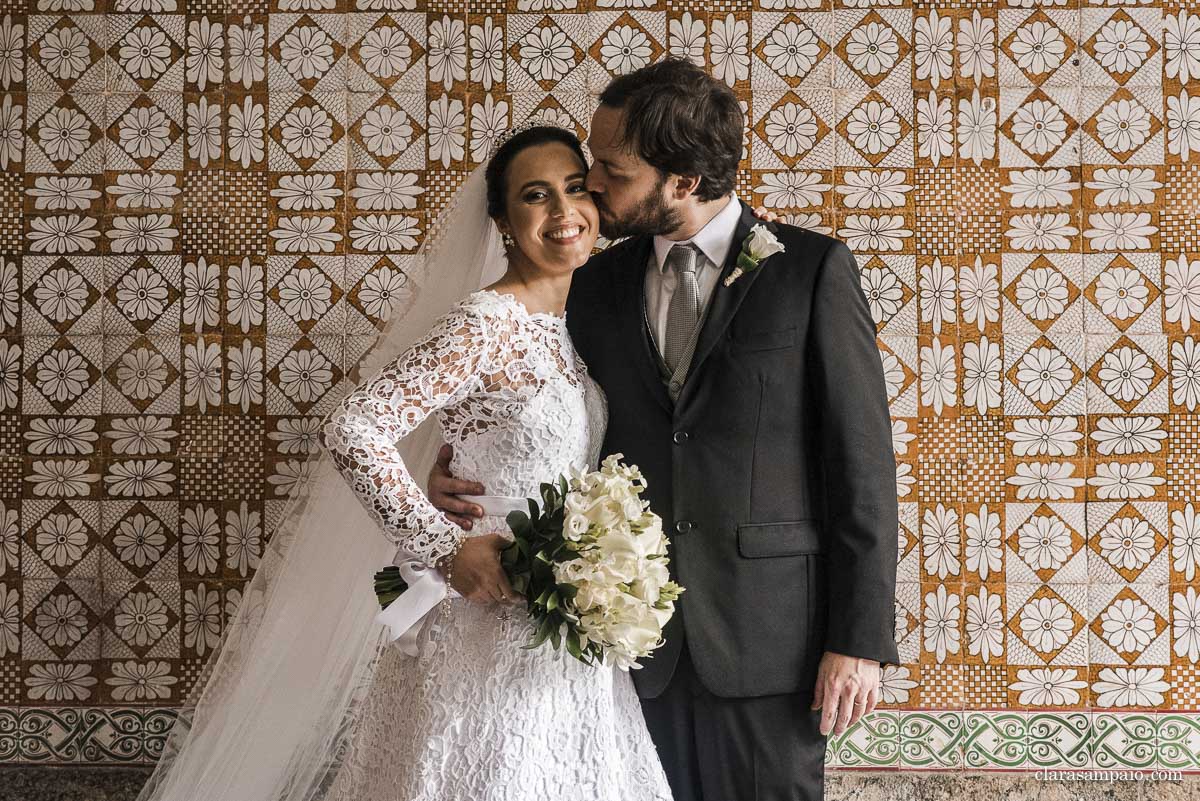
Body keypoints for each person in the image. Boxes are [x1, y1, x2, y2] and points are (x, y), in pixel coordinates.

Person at [131, 123, 675, 801]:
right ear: (505, 221)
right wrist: (445, 545)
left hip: (560, 622)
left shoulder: (576, 321)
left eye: (574, 188)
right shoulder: (485, 321)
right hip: (482, 611)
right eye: (537, 196)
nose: (564, 211)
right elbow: (354, 428)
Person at [428, 58, 901, 801]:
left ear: (681, 181)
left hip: (770, 644)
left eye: (611, 169)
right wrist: (456, 477)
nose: (590, 184)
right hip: (621, 647)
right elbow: (542, 415)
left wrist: (860, 641)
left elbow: (863, 468)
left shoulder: (811, 271)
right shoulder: (590, 283)